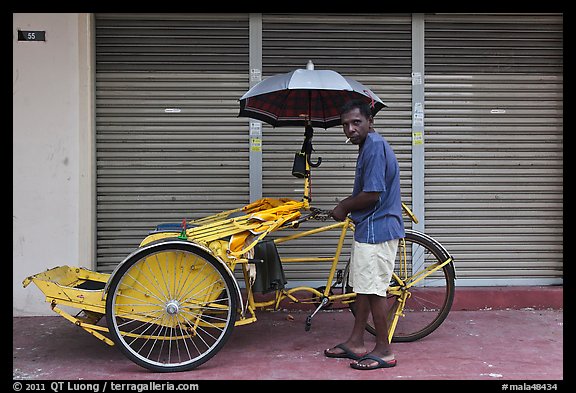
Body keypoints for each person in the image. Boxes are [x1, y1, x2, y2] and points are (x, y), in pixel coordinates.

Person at [324, 99, 405, 370]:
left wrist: (344, 206)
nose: (350, 129)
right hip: (369, 228)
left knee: (374, 290)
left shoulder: (375, 147)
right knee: (362, 288)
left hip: (378, 230)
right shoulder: (367, 147)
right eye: (345, 124)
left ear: (370, 122)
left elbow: (372, 194)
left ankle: (384, 350)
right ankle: (356, 342)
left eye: (356, 122)